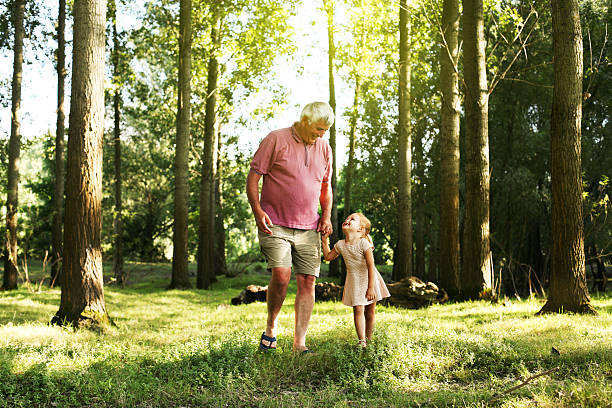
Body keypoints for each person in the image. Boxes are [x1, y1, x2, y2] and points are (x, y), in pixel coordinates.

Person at [247, 101, 335, 353]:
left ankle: (299, 343)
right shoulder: (276, 139)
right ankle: (271, 328)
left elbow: (325, 186)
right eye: (319, 128)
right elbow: (254, 176)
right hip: (274, 224)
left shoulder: (324, 148)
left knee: (308, 280)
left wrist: (326, 216)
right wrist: (257, 210)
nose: (322, 134)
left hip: (309, 226)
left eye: (326, 130)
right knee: (282, 275)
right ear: (305, 121)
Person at [322, 212, 390, 348]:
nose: (347, 220)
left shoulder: (364, 243)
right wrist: (324, 241)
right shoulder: (341, 245)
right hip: (354, 280)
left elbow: (371, 266)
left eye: (352, 219)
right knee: (358, 309)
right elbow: (328, 257)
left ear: (360, 229)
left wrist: (371, 287)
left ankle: (368, 340)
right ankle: (362, 341)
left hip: (369, 278)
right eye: (347, 218)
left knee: (370, 311)